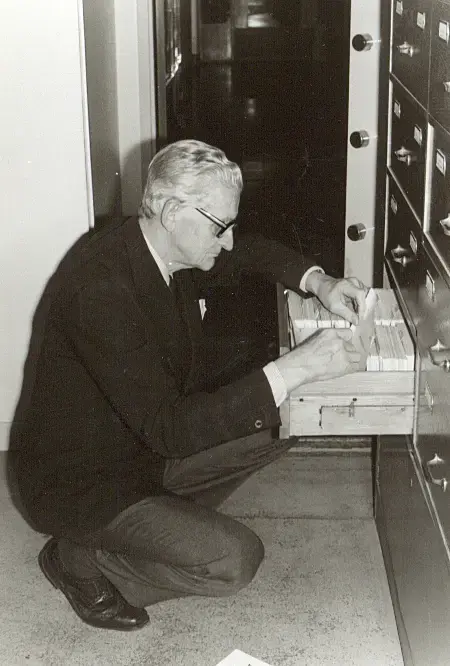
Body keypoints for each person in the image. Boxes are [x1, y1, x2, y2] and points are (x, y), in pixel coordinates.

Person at [11, 140, 367, 631]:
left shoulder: (157, 245)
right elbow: (170, 430)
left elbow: (248, 253)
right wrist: (293, 368)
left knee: (292, 415)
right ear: (173, 211)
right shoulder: (100, 291)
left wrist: (318, 281)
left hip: (140, 447)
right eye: (221, 227)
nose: (228, 242)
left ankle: (162, 519)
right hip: (85, 484)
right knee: (234, 560)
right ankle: (78, 559)